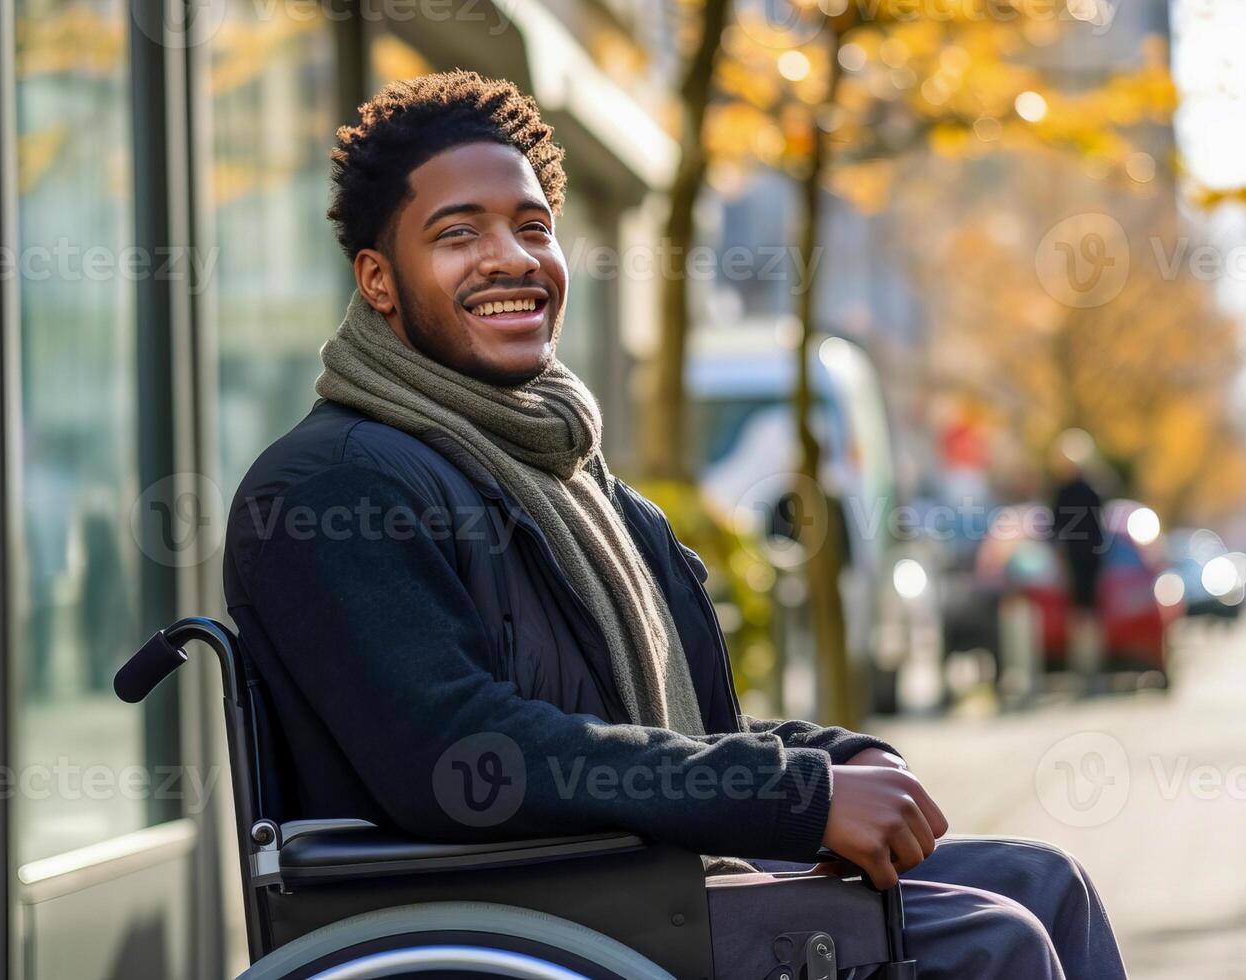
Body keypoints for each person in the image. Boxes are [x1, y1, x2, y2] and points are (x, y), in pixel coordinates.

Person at [221, 73, 1124, 979]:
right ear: (377, 278)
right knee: (993, 944)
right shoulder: (333, 487)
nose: (511, 257)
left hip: (628, 880)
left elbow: (675, 732)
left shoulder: (583, 488)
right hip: (510, 915)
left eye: (532, 227)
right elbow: (461, 755)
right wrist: (793, 797)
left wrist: (836, 758)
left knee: (1049, 883)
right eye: (458, 233)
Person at [1049, 436, 1108, 692]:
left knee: (1083, 614)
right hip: (1082, 561)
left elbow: (1056, 531)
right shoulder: (1086, 491)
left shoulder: (1073, 492)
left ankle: (1087, 667)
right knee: (1083, 615)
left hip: (1082, 561)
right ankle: (1086, 667)